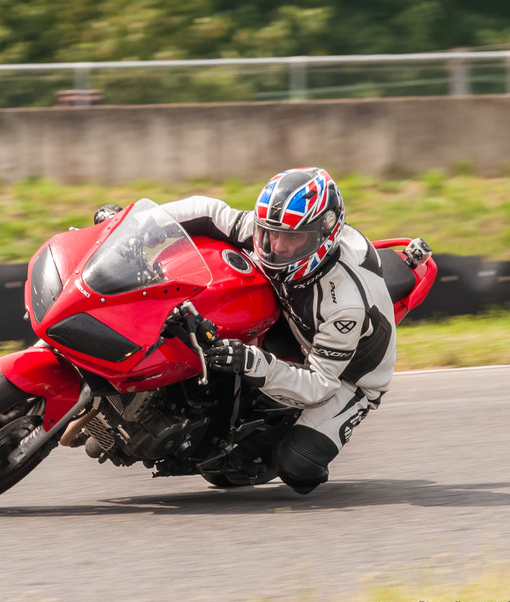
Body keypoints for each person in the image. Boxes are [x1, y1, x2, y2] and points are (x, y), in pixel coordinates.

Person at [153, 167, 398, 494]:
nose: (278, 246)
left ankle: (285, 427)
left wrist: (251, 362)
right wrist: (140, 225)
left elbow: (320, 385)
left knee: (298, 466)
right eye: (270, 233)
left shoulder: (345, 304)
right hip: (294, 323)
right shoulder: (272, 232)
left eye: (293, 238)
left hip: (347, 377)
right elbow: (210, 212)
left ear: (323, 238)